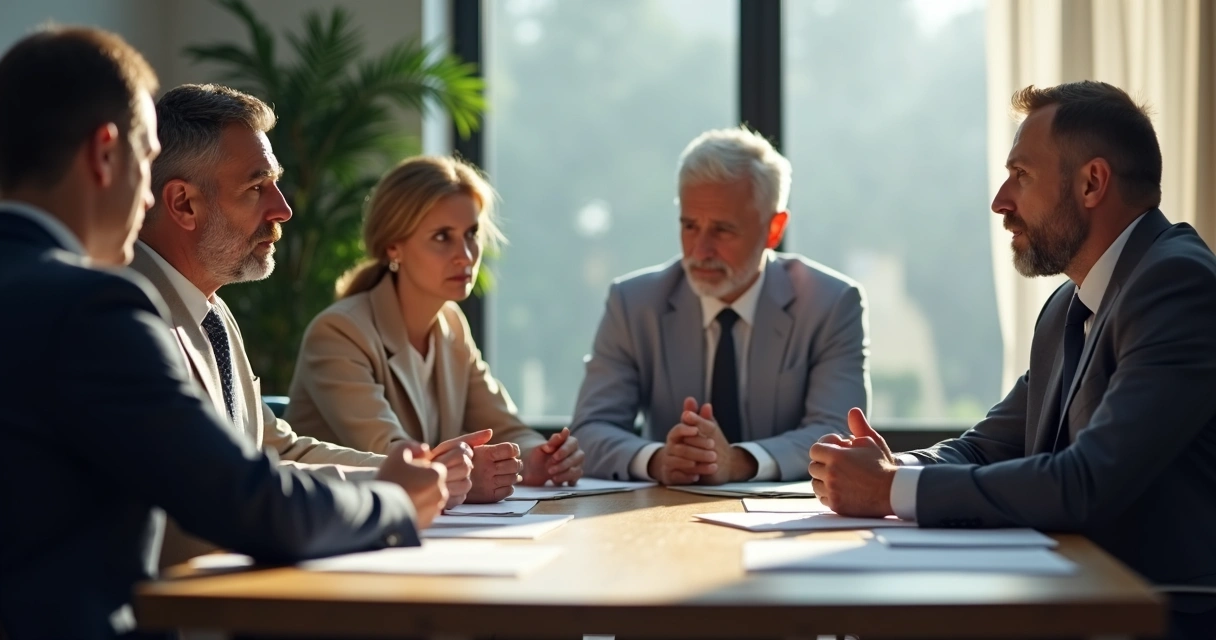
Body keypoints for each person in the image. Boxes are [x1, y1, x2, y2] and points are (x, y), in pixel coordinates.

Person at [0, 27, 447, 640]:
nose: (147, 194)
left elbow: (262, 452)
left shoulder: (175, 309)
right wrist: (393, 503)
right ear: (107, 155)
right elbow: (240, 497)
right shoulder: (94, 308)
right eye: (145, 157)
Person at [809, 81, 1216, 640]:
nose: (1001, 200)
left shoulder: (1176, 284)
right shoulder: (1068, 305)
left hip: (1156, 614)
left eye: (1021, 175)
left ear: (1092, 182)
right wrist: (898, 468)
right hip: (1070, 594)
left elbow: (1087, 484)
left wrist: (885, 492)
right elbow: (987, 444)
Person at [133, 84, 475, 565]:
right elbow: (220, 501)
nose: (283, 209)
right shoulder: (127, 315)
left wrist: (416, 473)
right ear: (184, 204)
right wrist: (389, 493)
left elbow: (276, 452)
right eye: (257, 188)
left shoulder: (211, 311)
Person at [570, 126, 871, 485]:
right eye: (690, 226)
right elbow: (589, 430)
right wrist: (658, 460)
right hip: (664, 515)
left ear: (773, 229)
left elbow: (837, 433)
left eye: (723, 230)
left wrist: (740, 462)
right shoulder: (634, 303)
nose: (700, 250)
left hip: (789, 526)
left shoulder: (830, 304)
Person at [287, 156, 585, 501]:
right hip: (337, 524)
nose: (466, 255)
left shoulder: (451, 323)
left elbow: (506, 427)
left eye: (471, 234)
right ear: (393, 247)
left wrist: (540, 456)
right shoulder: (338, 332)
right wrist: (465, 475)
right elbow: (395, 458)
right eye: (443, 237)